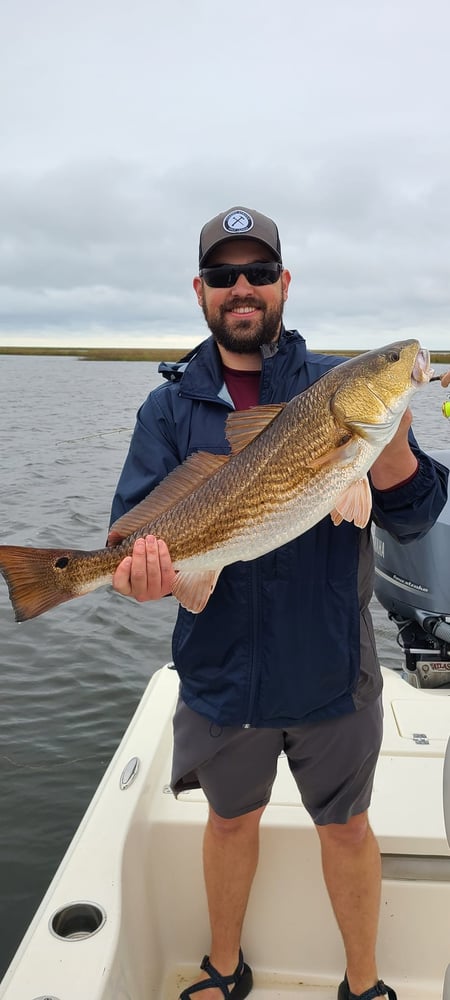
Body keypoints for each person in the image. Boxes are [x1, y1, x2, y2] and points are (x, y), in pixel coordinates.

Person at [109, 207, 449, 1000]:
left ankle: (362, 983)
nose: (242, 288)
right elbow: (133, 527)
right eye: (224, 275)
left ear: (284, 284)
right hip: (222, 674)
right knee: (228, 823)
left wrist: (387, 439)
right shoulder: (168, 410)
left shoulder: (334, 386)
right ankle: (224, 968)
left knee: (347, 827)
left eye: (259, 273)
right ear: (201, 291)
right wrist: (141, 572)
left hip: (330, 666)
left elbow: (413, 513)